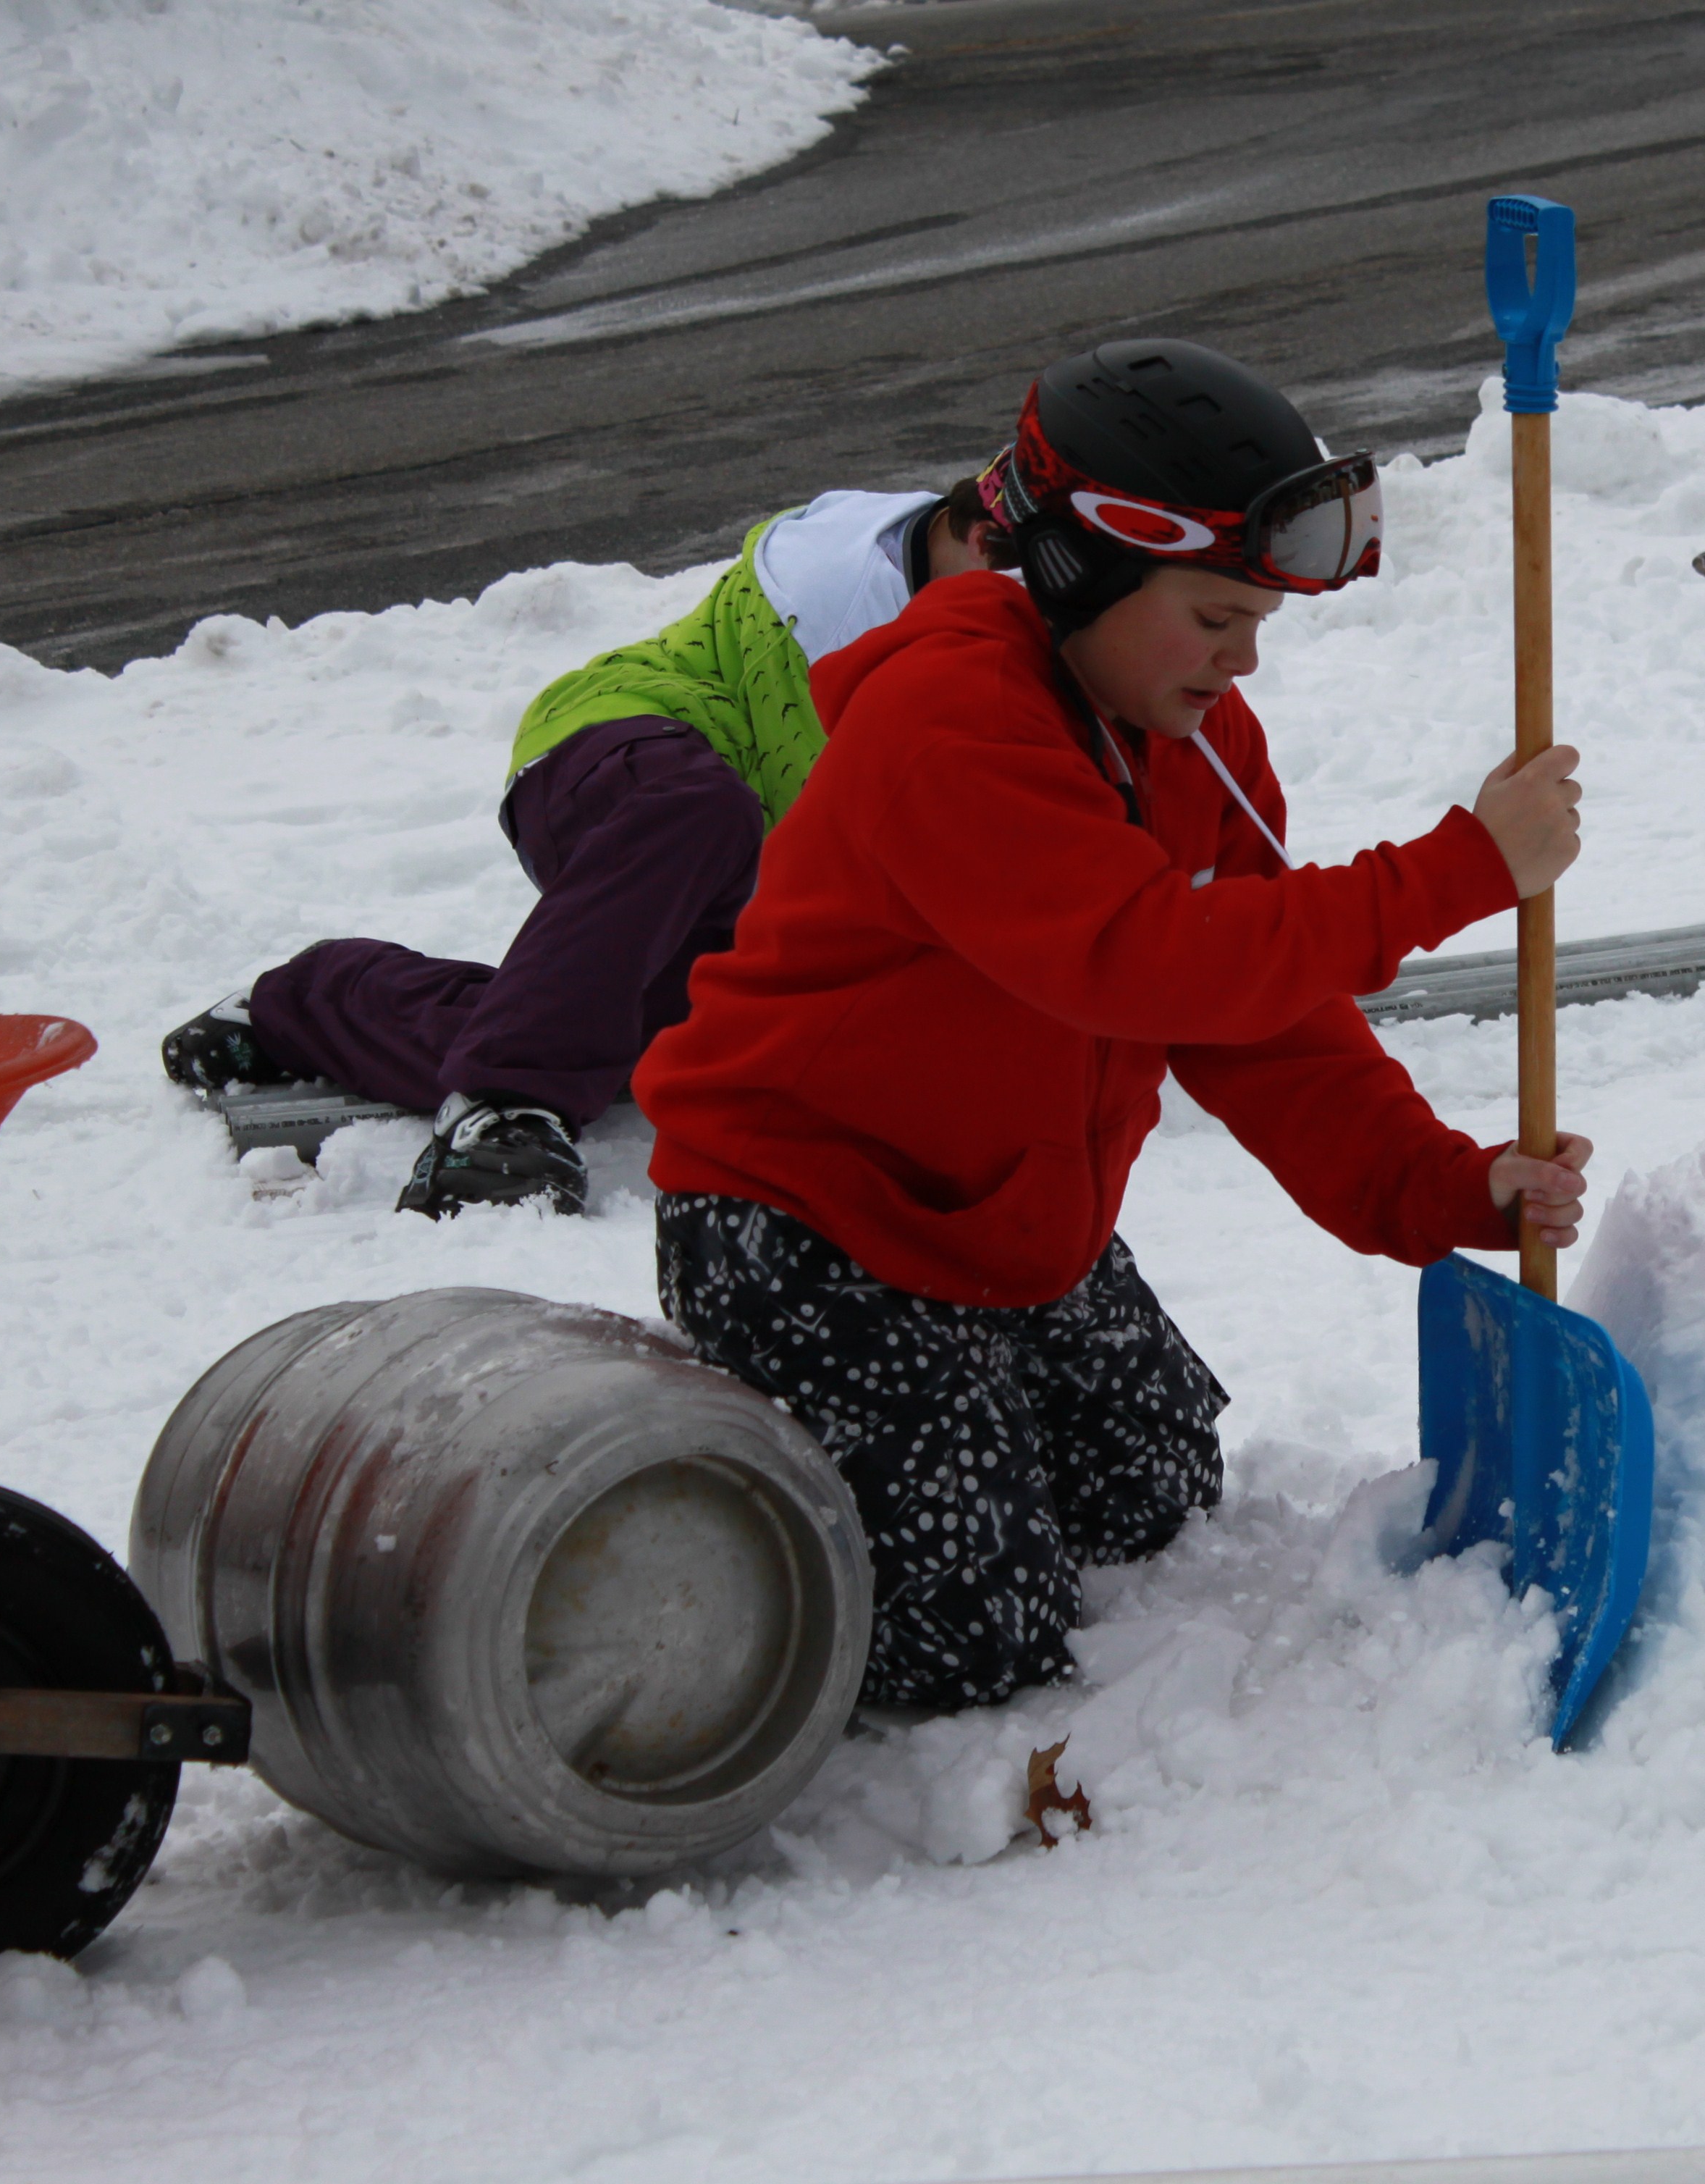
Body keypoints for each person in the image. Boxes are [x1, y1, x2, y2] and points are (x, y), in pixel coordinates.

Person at [633, 338, 1591, 1712]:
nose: (1242, 659)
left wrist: (1435, 1183)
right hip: (807, 1229)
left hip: (1009, 1224)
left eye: (1257, 623)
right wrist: (1455, 872)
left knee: (1156, 1497)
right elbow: (1142, 963)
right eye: (1214, 618)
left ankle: (949, 1408)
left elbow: (1262, 1022)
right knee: (976, 1640)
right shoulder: (947, 719)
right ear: (1084, 568)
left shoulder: (1195, 739)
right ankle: (740, 1527)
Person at [158, 482, 1003, 1218]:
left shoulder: (988, 639)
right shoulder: (850, 560)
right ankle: (503, 1105)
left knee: (614, 1035)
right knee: (703, 812)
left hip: (735, 868)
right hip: (616, 746)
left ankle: (303, 1004)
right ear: (979, 537)